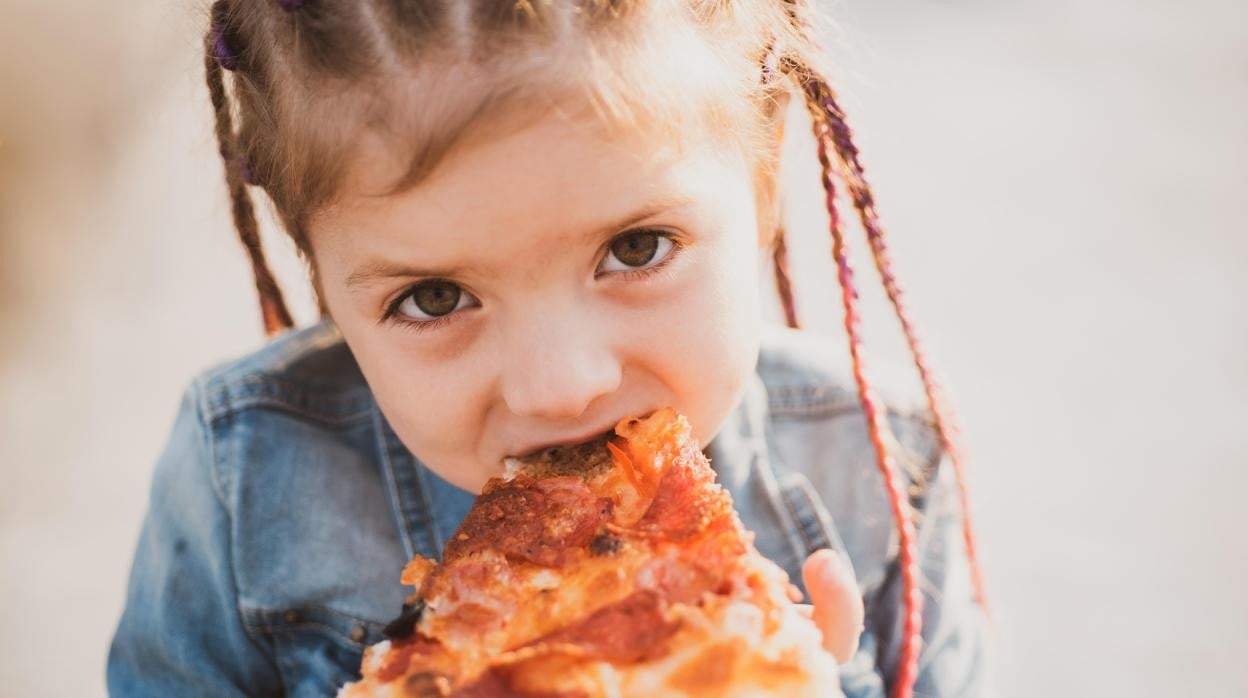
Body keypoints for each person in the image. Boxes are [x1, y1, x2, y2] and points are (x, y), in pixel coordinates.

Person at [107, 1, 990, 696]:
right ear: (322, 282)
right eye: (436, 297)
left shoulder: (881, 469)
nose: (559, 387)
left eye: (637, 249)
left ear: (762, 184)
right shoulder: (242, 475)